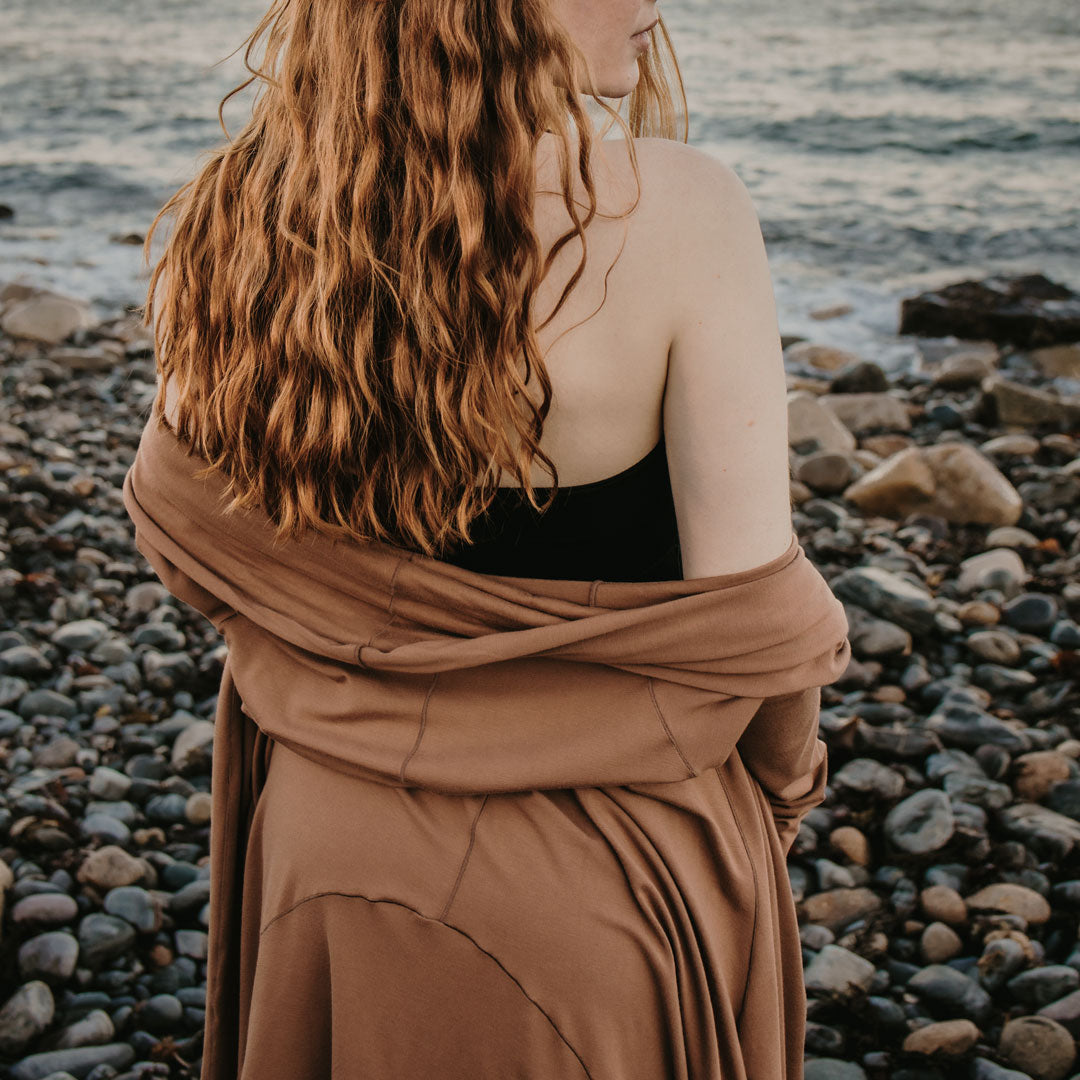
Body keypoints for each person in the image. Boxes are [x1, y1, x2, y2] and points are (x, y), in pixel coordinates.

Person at [124, 1, 851, 1076]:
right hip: (597, 878)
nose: (656, 2)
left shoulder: (240, 213)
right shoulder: (681, 211)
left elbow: (182, 531)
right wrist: (781, 797)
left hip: (323, 849)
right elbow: (757, 620)